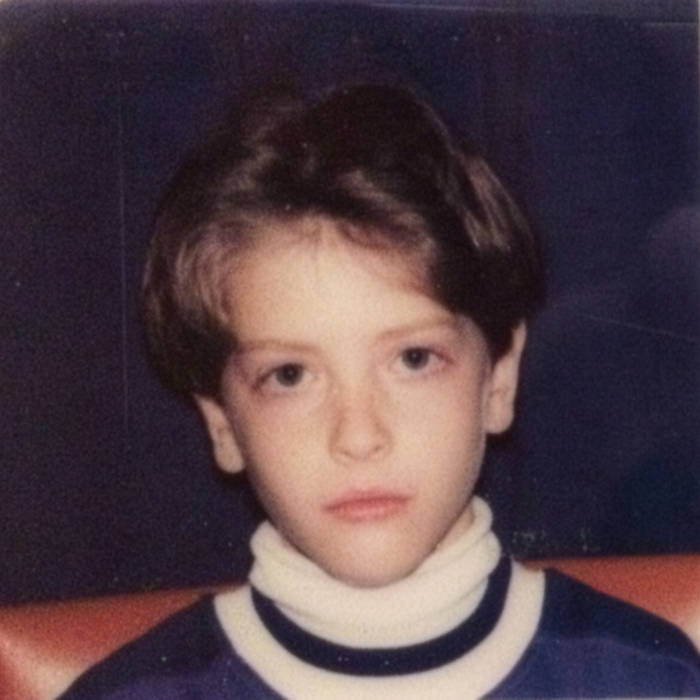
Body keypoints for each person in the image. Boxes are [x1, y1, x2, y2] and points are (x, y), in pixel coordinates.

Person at [61, 84, 700, 698]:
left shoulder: (648, 680)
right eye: (290, 376)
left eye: (414, 359)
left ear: (498, 378)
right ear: (222, 422)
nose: (359, 435)